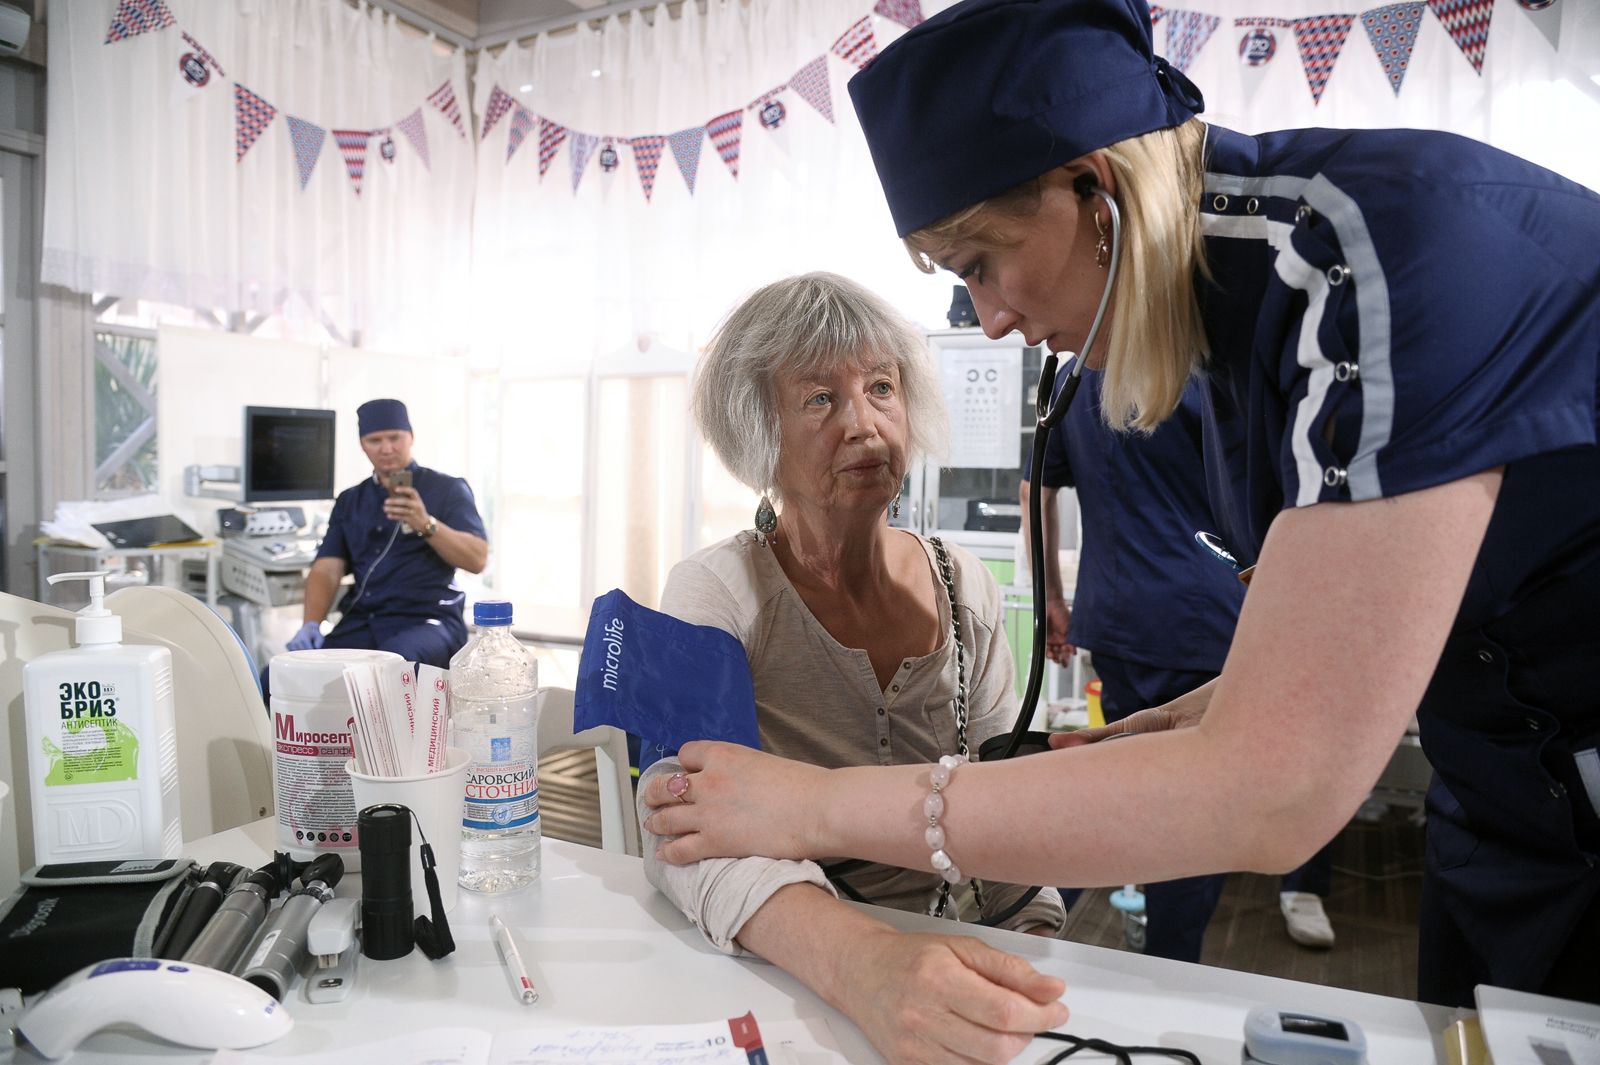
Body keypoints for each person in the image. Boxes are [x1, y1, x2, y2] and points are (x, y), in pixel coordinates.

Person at [642, 0, 1600, 1019]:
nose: (996, 320)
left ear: (1092, 187)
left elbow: (1274, 790)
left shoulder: (1361, 267)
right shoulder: (716, 590)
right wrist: (1197, 723)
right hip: (1500, 818)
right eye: (819, 401)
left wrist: (813, 806)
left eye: (980, 265)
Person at [639, 272, 1069, 1065]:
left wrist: (1031, 955)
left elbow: (1014, 803)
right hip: (781, 970)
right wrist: (866, 963)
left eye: (881, 388)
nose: (865, 424)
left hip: (952, 965)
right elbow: (676, 819)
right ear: (757, 430)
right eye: (820, 400)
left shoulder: (965, 585)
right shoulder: (719, 590)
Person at [1022, 366, 1335, 956]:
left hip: (1116, 617)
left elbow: (1035, 489)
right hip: (1203, 617)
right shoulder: (1197, 367)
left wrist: (1053, 599)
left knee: (1121, 782)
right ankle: (1173, 956)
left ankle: (1049, 928)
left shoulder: (1071, 378)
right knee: (1192, 807)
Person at [286, 398, 488, 671]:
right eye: (374, 440)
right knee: (275, 679)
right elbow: (326, 569)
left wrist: (426, 524)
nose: (386, 448)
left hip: (428, 622)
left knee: (387, 673)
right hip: (362, 623)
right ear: (362, 445)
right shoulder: (350, 500)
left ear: (411, 437)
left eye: (395, 438)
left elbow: (477, 560)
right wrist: (310, 623)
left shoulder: (448, 489)